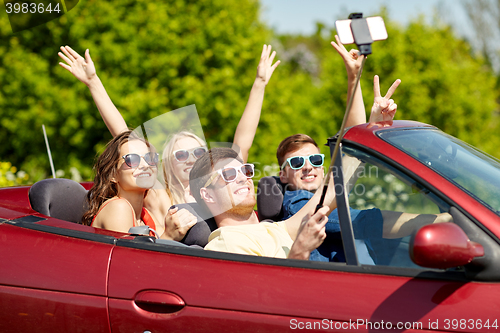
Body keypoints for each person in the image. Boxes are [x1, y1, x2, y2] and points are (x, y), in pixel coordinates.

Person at [58, 44, 280, 241]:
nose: (191, 159)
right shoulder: (158, 193)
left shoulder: (219, 187)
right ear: (167, 165)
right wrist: (93, 82)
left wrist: (260, 83)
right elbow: (126, 141)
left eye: (198, 152)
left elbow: (242, 143)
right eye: (181, 155)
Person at [189, 147, 451, 260]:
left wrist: (368, 130)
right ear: (208, 196)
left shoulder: (274, 228)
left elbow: (328, 193)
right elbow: (263, 307)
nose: (244, 179)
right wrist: (299, 254)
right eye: (228, 174)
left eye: (245, 171)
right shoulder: (224, 246)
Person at [81, 130, 188, 239]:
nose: (145, 165)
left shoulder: (145, 215)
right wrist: (169, 236)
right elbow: (129, 255)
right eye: (132, 159)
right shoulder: (118, 207)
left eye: (150, 158)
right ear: (113, 174)